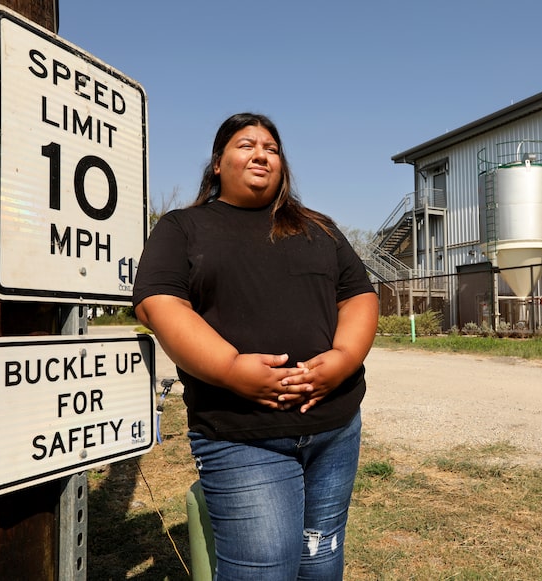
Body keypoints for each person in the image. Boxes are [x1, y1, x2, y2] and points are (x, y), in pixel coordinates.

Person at [132, 112, 378, 580]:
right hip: (242, 434)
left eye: (272, 147)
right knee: (264, 570)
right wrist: (230, 369)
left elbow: (359, 296)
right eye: (246, 145)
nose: (262, 153)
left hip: (335, 426)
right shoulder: (183, 227)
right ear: (218, 164)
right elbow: (157, 304)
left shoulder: (318, 227)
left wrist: (344, 360)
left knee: (321, 559)